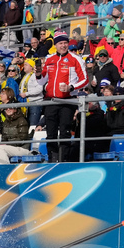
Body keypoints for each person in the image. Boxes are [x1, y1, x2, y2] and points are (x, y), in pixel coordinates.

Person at [38, 32, 87, 162]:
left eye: (65, 43)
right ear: (56, 45)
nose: (63, 45)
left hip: (67, 100)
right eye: (60, 43)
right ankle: (52, 159)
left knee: (65, 131)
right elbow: (41, 81)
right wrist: (38, 74)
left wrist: (71, 87)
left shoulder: (76, 59)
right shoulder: (50, 59)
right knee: (51, 132)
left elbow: (85, 80)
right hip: (51, 100)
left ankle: (64, 159)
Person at [0, 88, 32, 164]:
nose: (8, 109)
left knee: (0, 148)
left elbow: (22, 139)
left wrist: (8, 144)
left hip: (22, 148)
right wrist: (5, 143)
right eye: (6, 108)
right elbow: (4, 138)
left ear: (15, 109)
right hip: (10, 147)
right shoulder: (6, 122)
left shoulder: (21, 120)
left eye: (10, 107)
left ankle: (4, 170)